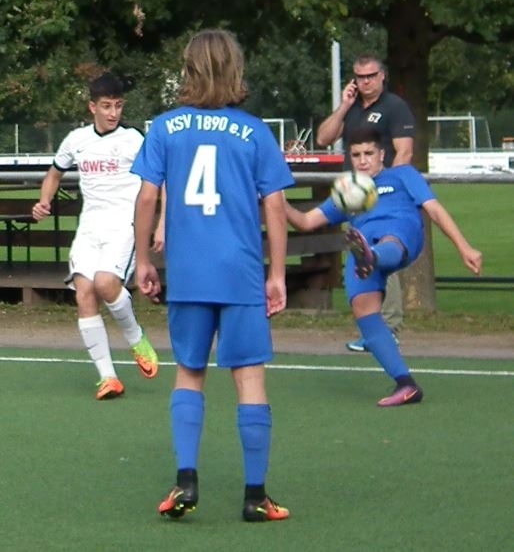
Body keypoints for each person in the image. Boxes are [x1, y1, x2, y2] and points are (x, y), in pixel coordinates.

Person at [131, 29, 294, 522]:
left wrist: (143, 259)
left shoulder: (165, 127)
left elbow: (146, 197)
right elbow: (275, 206)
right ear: (235, 70)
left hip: (189, 272)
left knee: (189, 372)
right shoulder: (256, 132)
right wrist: (278, 274)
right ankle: (255, 496)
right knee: (249, 376)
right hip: (240, 271)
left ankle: (186, 481)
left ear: (189, 69)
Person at [285, 128, 482, 407]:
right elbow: (305, 222)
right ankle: (406, 384)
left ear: (382, 154)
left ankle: (373, 257)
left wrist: (465, 247)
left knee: (389, 238)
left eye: (369, 153)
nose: (363, 160)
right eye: (356, 155)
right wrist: (277, 200)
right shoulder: (349, 191)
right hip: (363, 244)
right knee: (364, 312)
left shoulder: (403, 175)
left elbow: (435, 210)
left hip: (401, 234)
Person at [32, 72, 159, 400]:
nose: (113, 112)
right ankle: (108, 378)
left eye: (118, 105)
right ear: (92, 107)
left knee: (105, 283)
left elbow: (161, 179)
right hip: (89, 229)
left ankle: (135, 338)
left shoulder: (133, 139)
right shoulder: (76, 140)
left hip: (123, 227)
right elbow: (54, 174)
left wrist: (162, 225)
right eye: (106, 106)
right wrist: (44, 201)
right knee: (84, 292)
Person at [317, 53, 416, 353]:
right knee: (362, 258)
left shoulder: (394, 107)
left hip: (383, 195)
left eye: (371, 76)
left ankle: (389, 328)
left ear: (382, 75)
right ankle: (372, 331)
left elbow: (404, 151)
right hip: (356, 196)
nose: (366, 82)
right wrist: (344, 106)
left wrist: (390, 188)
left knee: (384, 255)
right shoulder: (353, 109)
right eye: (360, 77)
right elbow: (323, 138)